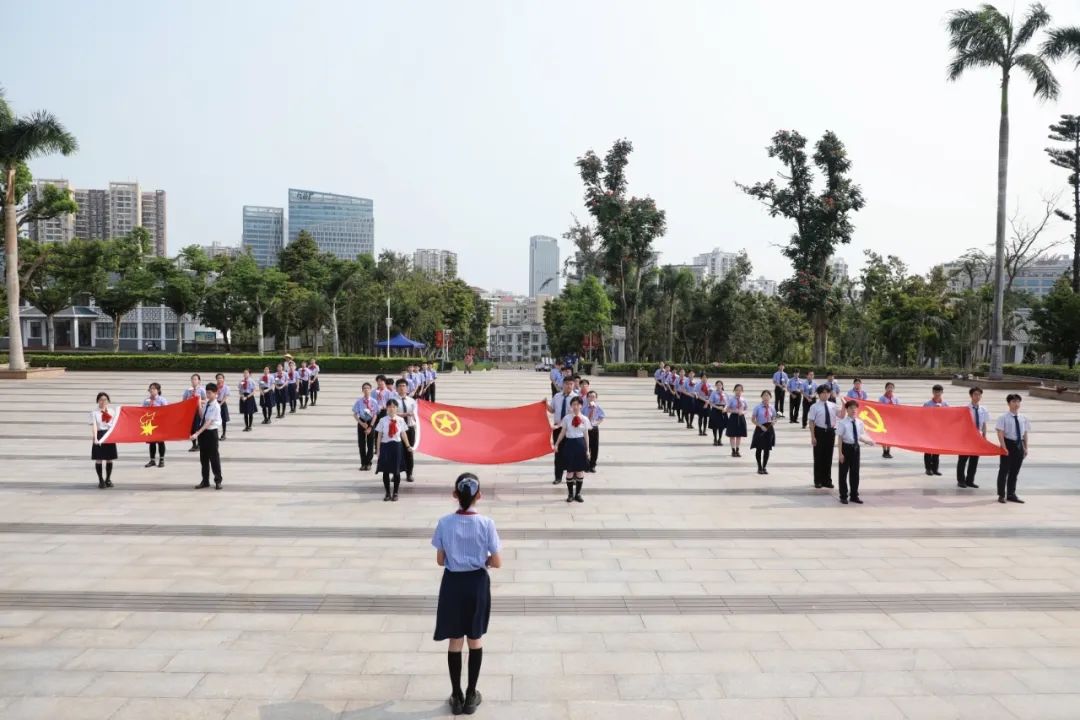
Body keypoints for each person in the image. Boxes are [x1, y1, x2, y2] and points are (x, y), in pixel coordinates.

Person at [432, 473, 502, 716]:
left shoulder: (444, 523)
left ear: (455, 495)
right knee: (475, 638)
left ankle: (456, 695)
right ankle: (472, 695)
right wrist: (484, 560)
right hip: (477, 584)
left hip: (453, 584)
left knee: (455, 640)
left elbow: (440, 560)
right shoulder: (487, 523)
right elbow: (497, 561)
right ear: (478, 496)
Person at [553, 396, 592, 503]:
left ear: (581, 405)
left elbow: (586, 435)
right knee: (569, 471)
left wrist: (587, 450)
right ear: (571, 406)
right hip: (569, 444)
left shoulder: (585, 419)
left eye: (578, 404)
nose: (575, 406)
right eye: (573, 404)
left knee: (579, 471)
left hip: (580, 444)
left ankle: (578, 494)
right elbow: (563, 432)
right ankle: (570, 494)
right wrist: (556, 444)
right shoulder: (567, 418)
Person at [836, 399, 875, 504]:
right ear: (847, 410)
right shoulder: (842, 423)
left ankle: (854, 495)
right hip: (845, 448)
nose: (853, 410)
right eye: (851, 408)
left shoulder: (859, 422)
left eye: (855, 408)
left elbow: (859, 436)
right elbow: (840, 438)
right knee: (843, 473)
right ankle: (843, 496)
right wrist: (840, 453)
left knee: (855, 473)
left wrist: (867, 441)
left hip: (856, 448)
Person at [375, 398, 413, 501]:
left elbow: (403, 434)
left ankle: (395, 493)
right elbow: (379, 436)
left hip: (397, 446)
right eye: (389, 407)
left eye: (394, 407)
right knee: (386, 471)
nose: (391, 409)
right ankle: (387, 493)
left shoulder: (400, 420)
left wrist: (408, 446)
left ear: (396, 408)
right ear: (387, 408)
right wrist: (378, 450)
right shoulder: (382, 420)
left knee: (396, 471)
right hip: (385, 446)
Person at [995, 394, 1030, 504]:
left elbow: (1025, 433)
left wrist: (1025, 447)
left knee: (1015, 471)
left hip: (1019, 445)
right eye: (1014, 402)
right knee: (1004, 471)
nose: (1016, 404)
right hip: (1008, 444)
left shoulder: (1023, 418)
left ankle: (1011, 494)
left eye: (1018, 401)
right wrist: (1003, 447)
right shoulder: (1003, 417)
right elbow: (1000, 433)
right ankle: (1001, 494)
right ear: (1008, 403)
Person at [191, 382, 223, 490]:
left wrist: (197, 433)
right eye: (207, 393)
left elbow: (208, 422)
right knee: (203, 458)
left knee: (214, 458)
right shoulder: (207, 404)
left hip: (211, 433)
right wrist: (199, 403)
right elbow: (202, 416)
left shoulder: (216, 406)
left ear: (215, 393)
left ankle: (218, 481)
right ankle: (205, 481)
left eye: (210, 393)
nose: (208, 395)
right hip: (203, 433)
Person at [807, 385, 840, 489]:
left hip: (830, 432)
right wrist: (813, 436)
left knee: (828, 457)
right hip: (819, 432)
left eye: (827, 393)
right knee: (818, 457)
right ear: (819, 394)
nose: (825, 395)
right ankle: (818, 480)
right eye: (823, 393)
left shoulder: (833, 405)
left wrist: (844, 404)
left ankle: (827, 480)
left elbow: (842, 415)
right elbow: (811, 422)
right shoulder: (814, 407)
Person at [957, 386, 989, 489]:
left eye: (979, 395)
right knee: (963, 459)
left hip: (978, 438)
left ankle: (970, 480)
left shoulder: (983, 409)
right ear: (971, 395)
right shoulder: (965, 409)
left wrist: (984, 436)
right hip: (966, 437)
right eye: (975, 394)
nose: (977, 396)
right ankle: (961, 480)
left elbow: (984, 424)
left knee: (974, 460)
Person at [548, 378, 577, 485]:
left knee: (571, 453)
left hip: (571, 428)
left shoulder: (576, 398)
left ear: (573, 385)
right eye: (566, 384)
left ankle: (573, 476)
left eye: (571, 384)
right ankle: (558, 477)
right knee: (558, 452)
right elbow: (552, 410)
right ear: (563, 384)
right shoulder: (557, 396)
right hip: (557, 429)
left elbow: (575, 413)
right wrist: (545, 404)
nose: (569, 386)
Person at [91, 392, 118, 489]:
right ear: (98, 401)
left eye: (105, 399)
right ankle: (101, 480)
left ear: (108, 401)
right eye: (101, 400)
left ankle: (108, 479)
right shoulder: (94, 413)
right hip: (100, 434)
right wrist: (95, 438)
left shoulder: (112, 411)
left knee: (109, 458)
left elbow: (115, 424)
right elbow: (94, 426)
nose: (103, 401)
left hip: (109, 435)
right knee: (99, 458)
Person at [922, 385, 949, 476]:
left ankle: (935, 468)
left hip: (939, 431)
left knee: (937, 450)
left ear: (942, 392)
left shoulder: (945, 404)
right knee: (928, 450)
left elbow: (949, 416)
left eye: (939, 392)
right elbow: (923, 417)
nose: (937, 394)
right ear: (933, 392)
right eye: (935, 392)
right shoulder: (927, 404)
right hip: (929, 430)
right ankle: (928, 468)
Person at [396, 378, 419, 483]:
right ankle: (396, 473)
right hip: (397, 429)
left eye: (404, 386)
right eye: (400, 386)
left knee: (409, 451)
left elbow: (416, 415)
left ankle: (409, 473)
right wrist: (405, 414)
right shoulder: (393, 401)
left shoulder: (412, 401)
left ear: (407, 388)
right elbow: (392, 414)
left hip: (410, 428)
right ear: (396, 388)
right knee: (397, 452)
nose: (402, 388)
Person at [142, 382, 168, 467]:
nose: (151, 390)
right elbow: (142, 411)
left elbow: (166, 411)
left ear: (158, 390)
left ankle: (161, 460)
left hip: (160, 423)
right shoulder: (146, 400)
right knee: (152, 442)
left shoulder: (162, 400)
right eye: (150, 389)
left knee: (160, 442)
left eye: (153, 388)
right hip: (150, 424)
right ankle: (152, 460)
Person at [353, 382, 378, 471]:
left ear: (370, 390)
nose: (366, 390)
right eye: (364, 388)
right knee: (361, 444)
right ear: (362, 390)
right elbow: (355, 414)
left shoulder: (374, 401)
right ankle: (363, 463)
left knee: (370, 444)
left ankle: (368, 463)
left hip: (371, 422)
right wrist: (361, 423)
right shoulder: (359, 401)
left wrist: (370, 426)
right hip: (362, 422)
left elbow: (375, 415)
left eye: (368, 388)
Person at [750, 390, 776, 475]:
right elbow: (753, 420)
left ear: (770, 397)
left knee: (767, 449)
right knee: (759, 448)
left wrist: (773, 421)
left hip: (769, 429)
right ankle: (759, 467)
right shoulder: (757, 407)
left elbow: (774, 417)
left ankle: (764, 467)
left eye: (768, 395)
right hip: (760, 428)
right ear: (761, 397)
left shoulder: (772, 407)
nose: (766, 397)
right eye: (764, 395)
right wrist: (761, 426)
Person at [182, 374, 206, 452]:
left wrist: (198, 401)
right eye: (192, 379)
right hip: (190, 411)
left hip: (198, 411)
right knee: (191, 428)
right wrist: (189, 401)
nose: (193, 381)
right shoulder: (188, 390)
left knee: (198, 427)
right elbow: (183, 400)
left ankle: (200, 444)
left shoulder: (202, 390)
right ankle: (194, 445)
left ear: (199, 381)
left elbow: (206, 400)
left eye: (195, 379)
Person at [725, 384, 749, 458]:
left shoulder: (743, 400)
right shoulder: (731, 399)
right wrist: (734, 411)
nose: (738, 391)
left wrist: (743, 412)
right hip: (733, 417)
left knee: (739, 435)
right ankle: (733, 450)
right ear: (734, 390)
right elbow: (727, 409)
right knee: (732, 435)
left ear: (742, 391)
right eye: (737, 390)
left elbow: (746, 409)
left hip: (741, 417)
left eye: (740, 390)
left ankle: (737, 450)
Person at [877, 382, 900, 458]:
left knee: (890, 436)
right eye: (888, 387)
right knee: (883, 436)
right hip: (883, 420)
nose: (890, 389)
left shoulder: (895, 398)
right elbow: (879, 408)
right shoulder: (882, 398)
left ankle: (888, 451)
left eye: (891, 387)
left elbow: (898, 408)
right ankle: (884, 451)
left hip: (892, 420)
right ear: (885, 388)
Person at [585, 390, 605, 473]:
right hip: (585, 429)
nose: (591, 398)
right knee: (586, 446)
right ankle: (586, 464)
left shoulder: (598, 408)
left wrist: (596, 423)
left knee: (594, 447)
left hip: (594, 428)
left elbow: (602, 417)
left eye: (593, 397)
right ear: (587, 398)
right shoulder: (584, 408)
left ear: (596, 398)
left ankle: (593, 465)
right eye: (590, 396)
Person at [707, 381, 727, 447]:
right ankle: (715, 438)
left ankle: (720, 439)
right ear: (716, 386)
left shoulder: (725, 393)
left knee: (721, 426)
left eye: (720, 385)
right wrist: (717, 407)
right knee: (715, 426)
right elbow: (710, 402)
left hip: (723, 410)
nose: (719, 386)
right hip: (715, 409)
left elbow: (728, 403)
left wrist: (725, 408)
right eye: (717, 385)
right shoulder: (713, 393)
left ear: (722, 386)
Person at [214, 373, 231, 441]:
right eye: (218, 378)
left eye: (221, 378)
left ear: (223, 379)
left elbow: (225, 397)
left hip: (222, 404)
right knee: (214, 420)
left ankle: (223, 434)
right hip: (215, 403)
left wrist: (220, 404)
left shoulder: (226, 387)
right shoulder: (214, 387)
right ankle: (215, 435)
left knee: (223, 420)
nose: (219, 379)